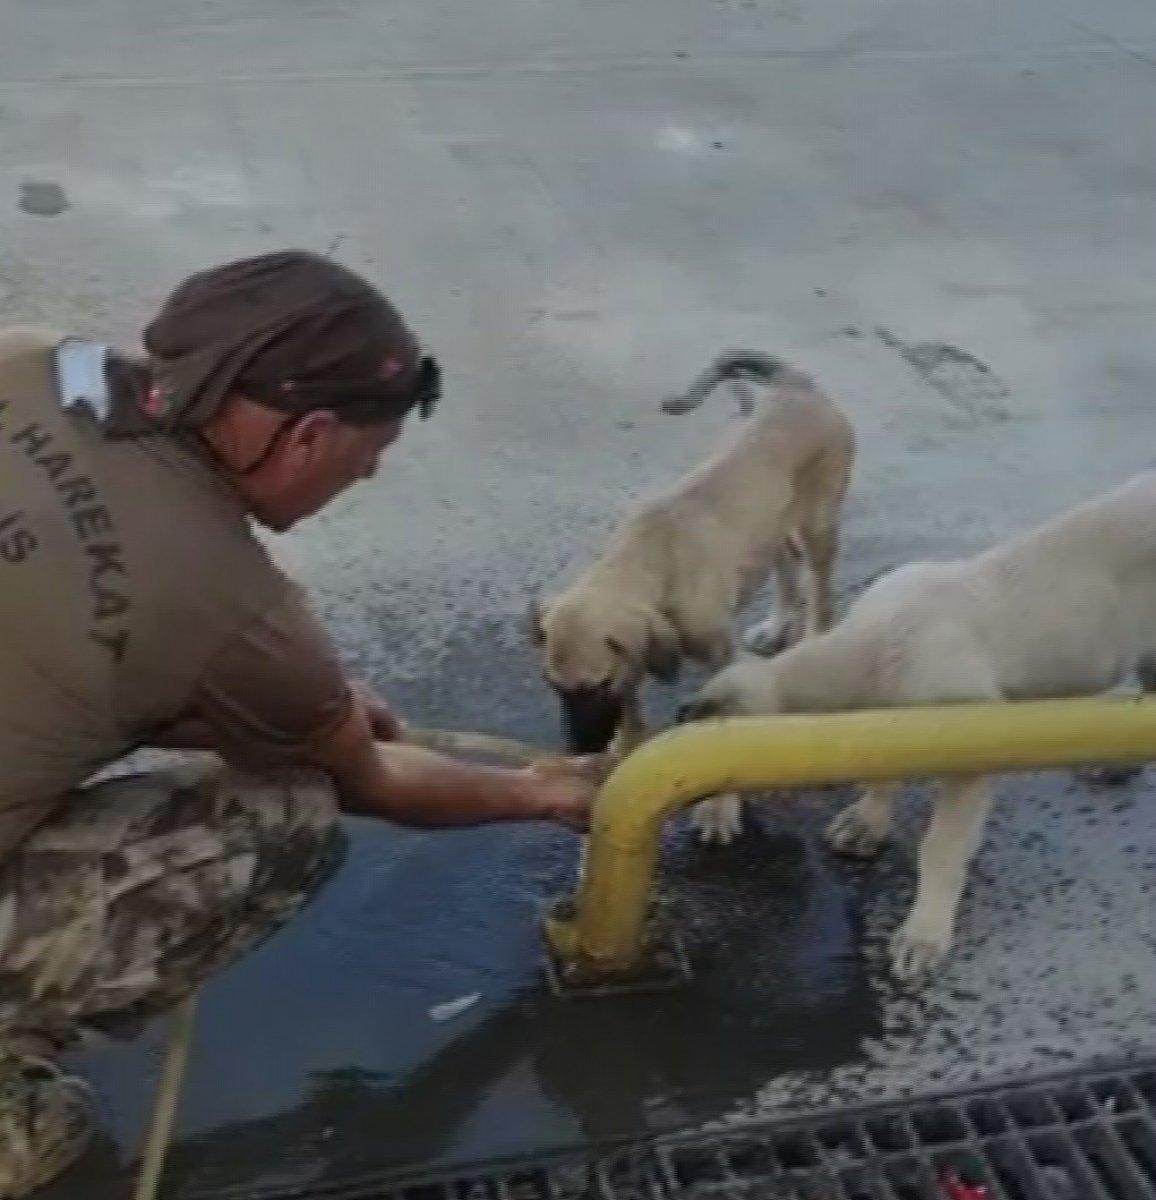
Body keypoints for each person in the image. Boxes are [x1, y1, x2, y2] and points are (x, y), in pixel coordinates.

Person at [0, 250, 595, 1195]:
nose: (357, 484)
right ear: (309, 436)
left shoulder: (26, 359)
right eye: (367, 462)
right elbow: (378, 782)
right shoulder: (242, 614)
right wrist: (542, 791)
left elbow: (67, 638)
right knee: (289, 812)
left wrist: (269, 704)